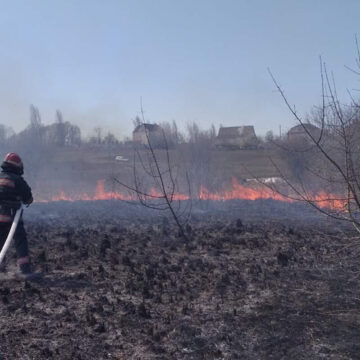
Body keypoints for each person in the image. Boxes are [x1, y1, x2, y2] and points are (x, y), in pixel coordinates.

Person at [0, 153, 33, 276]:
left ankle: (1, 268)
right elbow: (28, 198)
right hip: (13, 217)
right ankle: (25, 270)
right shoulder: (17, 179)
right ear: (17, 166)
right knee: (20, 240)